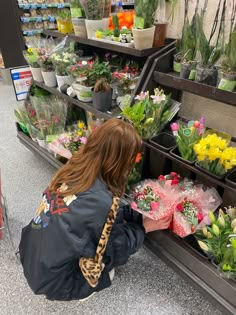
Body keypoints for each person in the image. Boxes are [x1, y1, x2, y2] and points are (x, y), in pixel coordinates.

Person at [19, 118, 171, 301]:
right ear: (120, 162)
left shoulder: (73, 170)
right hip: (59, 282)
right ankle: (82, 288)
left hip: (35, 259)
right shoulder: (101, 202)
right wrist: (144, 227)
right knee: (108, 262)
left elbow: (89, 215)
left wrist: (135, 213)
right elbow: (115, 247)